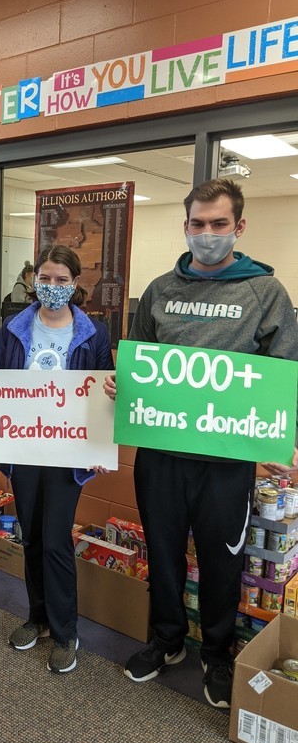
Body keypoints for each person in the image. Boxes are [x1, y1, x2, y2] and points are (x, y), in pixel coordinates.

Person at [103, 178, 298, 708]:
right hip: (160, 456)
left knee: (222, 561)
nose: (207, 233)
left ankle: (217, 652)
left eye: (218, 224)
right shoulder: (160, 290)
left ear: (239, 226)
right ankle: (166, 641)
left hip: (225, 462)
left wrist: (280, 434)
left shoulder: (265, 293)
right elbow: (141, 360)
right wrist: (125, 384)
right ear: (185, 226)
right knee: (163, 553)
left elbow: (283, 373)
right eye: (198, 224)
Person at [0, 244, 113, 674]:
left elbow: (103, 393)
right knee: (32, 537)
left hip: (66, 450)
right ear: (33, 280)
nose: (52, 286)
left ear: (74, 284)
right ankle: (37, 618)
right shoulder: (14, 327)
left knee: (56, 539)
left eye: (61, 280)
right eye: (45, 278)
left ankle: (65, 632)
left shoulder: (93, 333)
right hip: (24, 447)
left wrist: (99, 445)